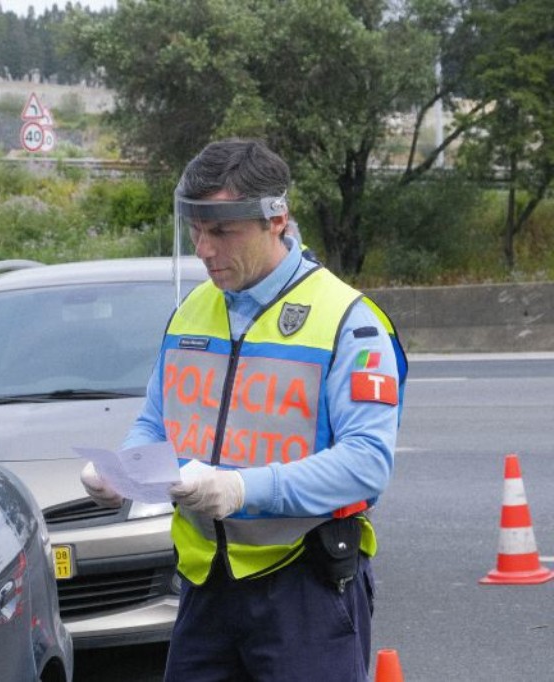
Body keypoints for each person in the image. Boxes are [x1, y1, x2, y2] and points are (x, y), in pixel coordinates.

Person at [80, 139, 405, 681]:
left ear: (276, 219)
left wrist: (241, 489)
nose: (204, 250)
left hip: (306, 587)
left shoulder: (350, 320)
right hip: (206, 588)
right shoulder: (191, 311)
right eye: (196, 231)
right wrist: (125, 468)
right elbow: (158, 421)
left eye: (223, 231)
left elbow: (367, 464)